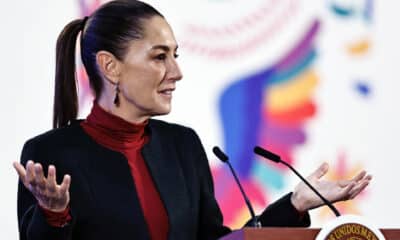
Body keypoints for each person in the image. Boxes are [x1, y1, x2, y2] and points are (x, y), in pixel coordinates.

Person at [13, 1, 372, 240]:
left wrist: (292, 205)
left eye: (175, 55)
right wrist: (53, 215)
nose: (176, 72)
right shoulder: (50, 155)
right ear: (110, 66)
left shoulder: (182, 145)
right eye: (159, 57)